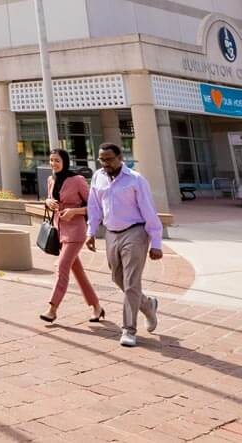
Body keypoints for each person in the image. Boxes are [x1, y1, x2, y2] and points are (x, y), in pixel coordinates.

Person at [85, 141, 164, 347]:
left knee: (131, 282)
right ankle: (147, 305)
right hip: (111, 232)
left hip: (135, 232)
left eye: (109, 159)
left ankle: (129, 330)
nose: (105, 163)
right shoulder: (98, 177)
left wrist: (156, 242)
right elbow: (93, 206)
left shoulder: (135, 180)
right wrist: (91, 231)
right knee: (117, 277)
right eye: (101, 159)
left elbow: (149, 210)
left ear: (121, 158)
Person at [39, 149, 102, 325]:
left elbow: (95, 207)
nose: (53, 164)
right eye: (51, 160)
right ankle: (96, 306)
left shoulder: (78, 180)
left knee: (62, 267)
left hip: (76, 231)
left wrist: (75, 211)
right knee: (78, 272)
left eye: (57, 160)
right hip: (59, 231)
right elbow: (49, 199)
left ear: (65, 161)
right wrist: (48, 202)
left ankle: (52, 309)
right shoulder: (51, 179)